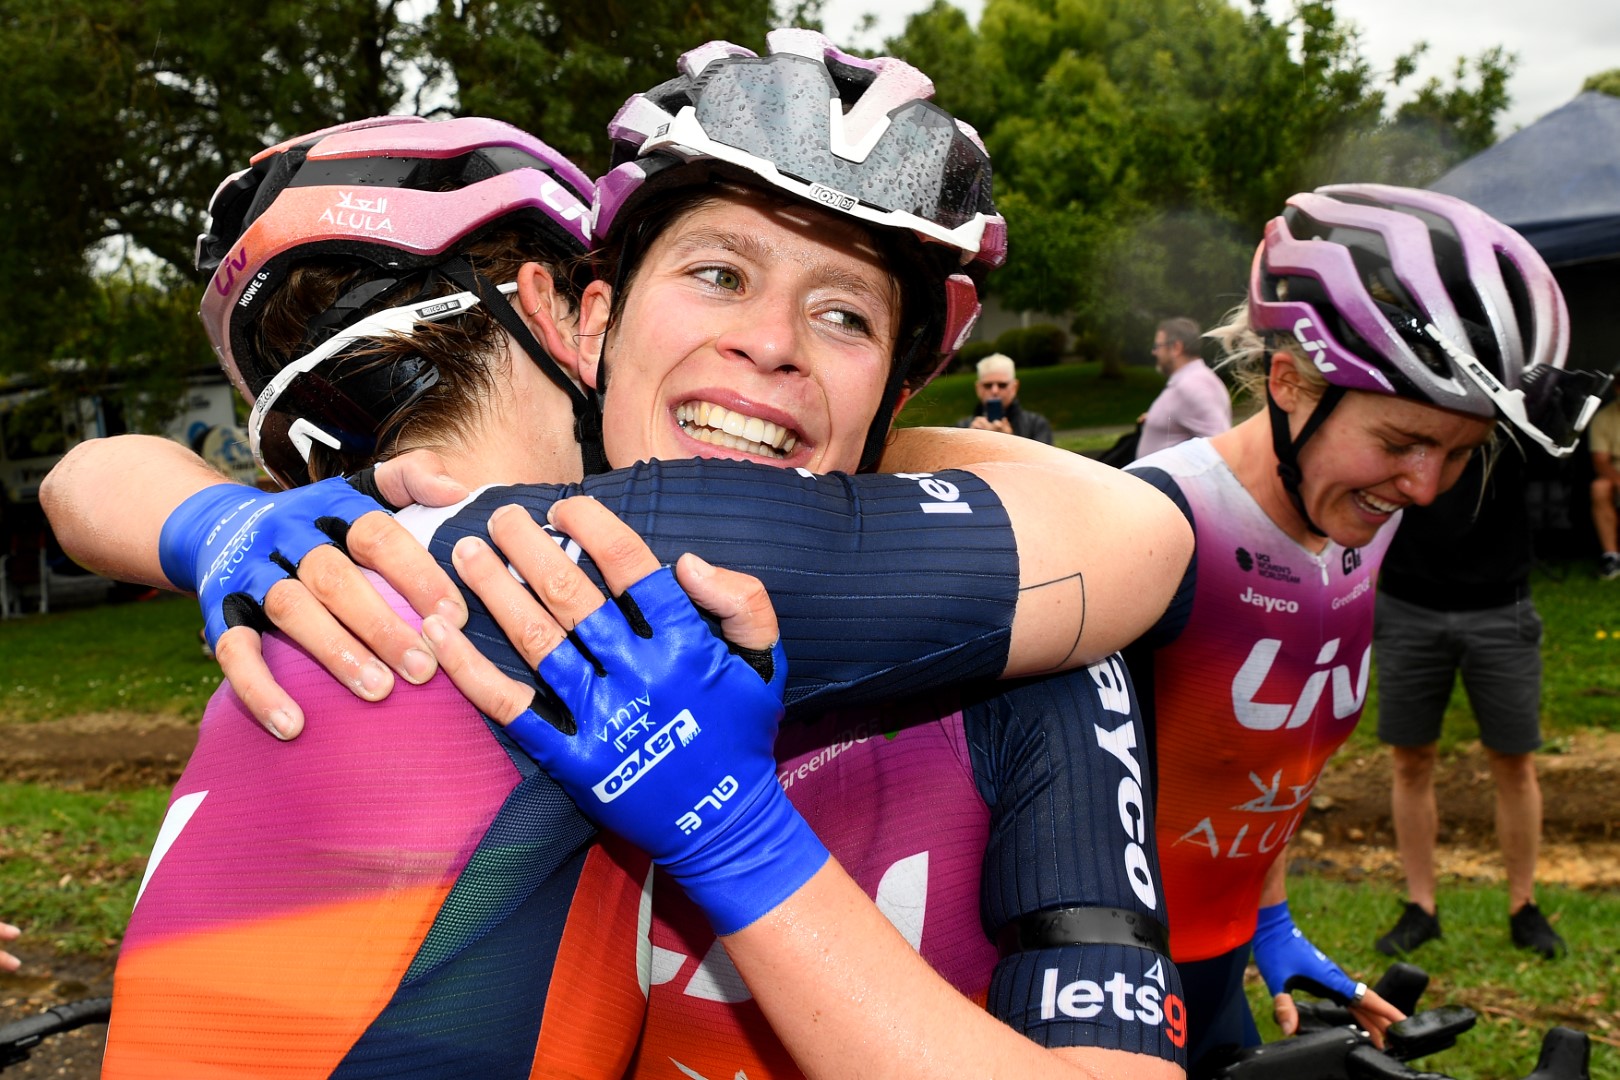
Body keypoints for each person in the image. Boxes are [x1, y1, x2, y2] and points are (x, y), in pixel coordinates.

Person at [46, 33, 1191, 1078]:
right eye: (719, 274)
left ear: (902, 385)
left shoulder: (1043, 651)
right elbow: (1140, 530)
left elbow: (86, 478)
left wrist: (736, 840)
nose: (772, 342)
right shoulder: (498, 553)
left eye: (845, 316)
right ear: (584, 325)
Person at [1123, 184, 1608, 1077]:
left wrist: (1266, 922)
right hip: (1101, 977)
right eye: (1399, 442)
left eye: (1461, 453)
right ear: (1288, 383)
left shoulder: (1360, 521)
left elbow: (1263, 765)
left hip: (1217, 958)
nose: (1426, 488)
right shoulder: (1157, 524)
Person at [1371, 444, 1567, 961]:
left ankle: (1524, 905)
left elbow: (1556, 434)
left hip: (1504, 607)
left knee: (1513, 761)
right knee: (1410, 761)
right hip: (1409, 603)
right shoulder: (1402, 395)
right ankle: (1421, 907)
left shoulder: (1511, 406)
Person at [1135, 316, 1232, 460]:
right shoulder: (1191, 380)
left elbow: (1220, 445)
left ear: (1176, 348)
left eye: (1157, 347)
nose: (1154, 352)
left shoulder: (1194, 385)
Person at [957, 352, 1054, 443]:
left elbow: (1044, 460)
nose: (995, 391)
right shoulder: (961, 429)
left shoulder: (1036, 425)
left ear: (1014, 387)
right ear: (978, 388)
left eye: (1002, 385)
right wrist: (968, 442)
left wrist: (1010, 442)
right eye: (988, 385)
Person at [1588, 394, 1620, 579]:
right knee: (1599, 488)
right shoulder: (1604, 417)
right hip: (1615, 474)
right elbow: (1600, 461)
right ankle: (1612, 557)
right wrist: (1617, 480)